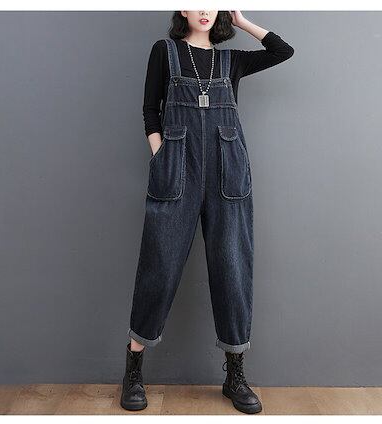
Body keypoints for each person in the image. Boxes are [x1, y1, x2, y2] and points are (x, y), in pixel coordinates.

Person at [120, 10, 294, 414]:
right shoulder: (165, 51)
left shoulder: (232, 60)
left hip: (227, 175)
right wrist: (161, 155)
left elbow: (282, 50)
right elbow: (150, 109)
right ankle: (133, 372)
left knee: (233, 268)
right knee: (159, 266)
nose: (203, 8)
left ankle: (235, 376)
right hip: (175, 172)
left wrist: (242, 21)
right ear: (182, 8)